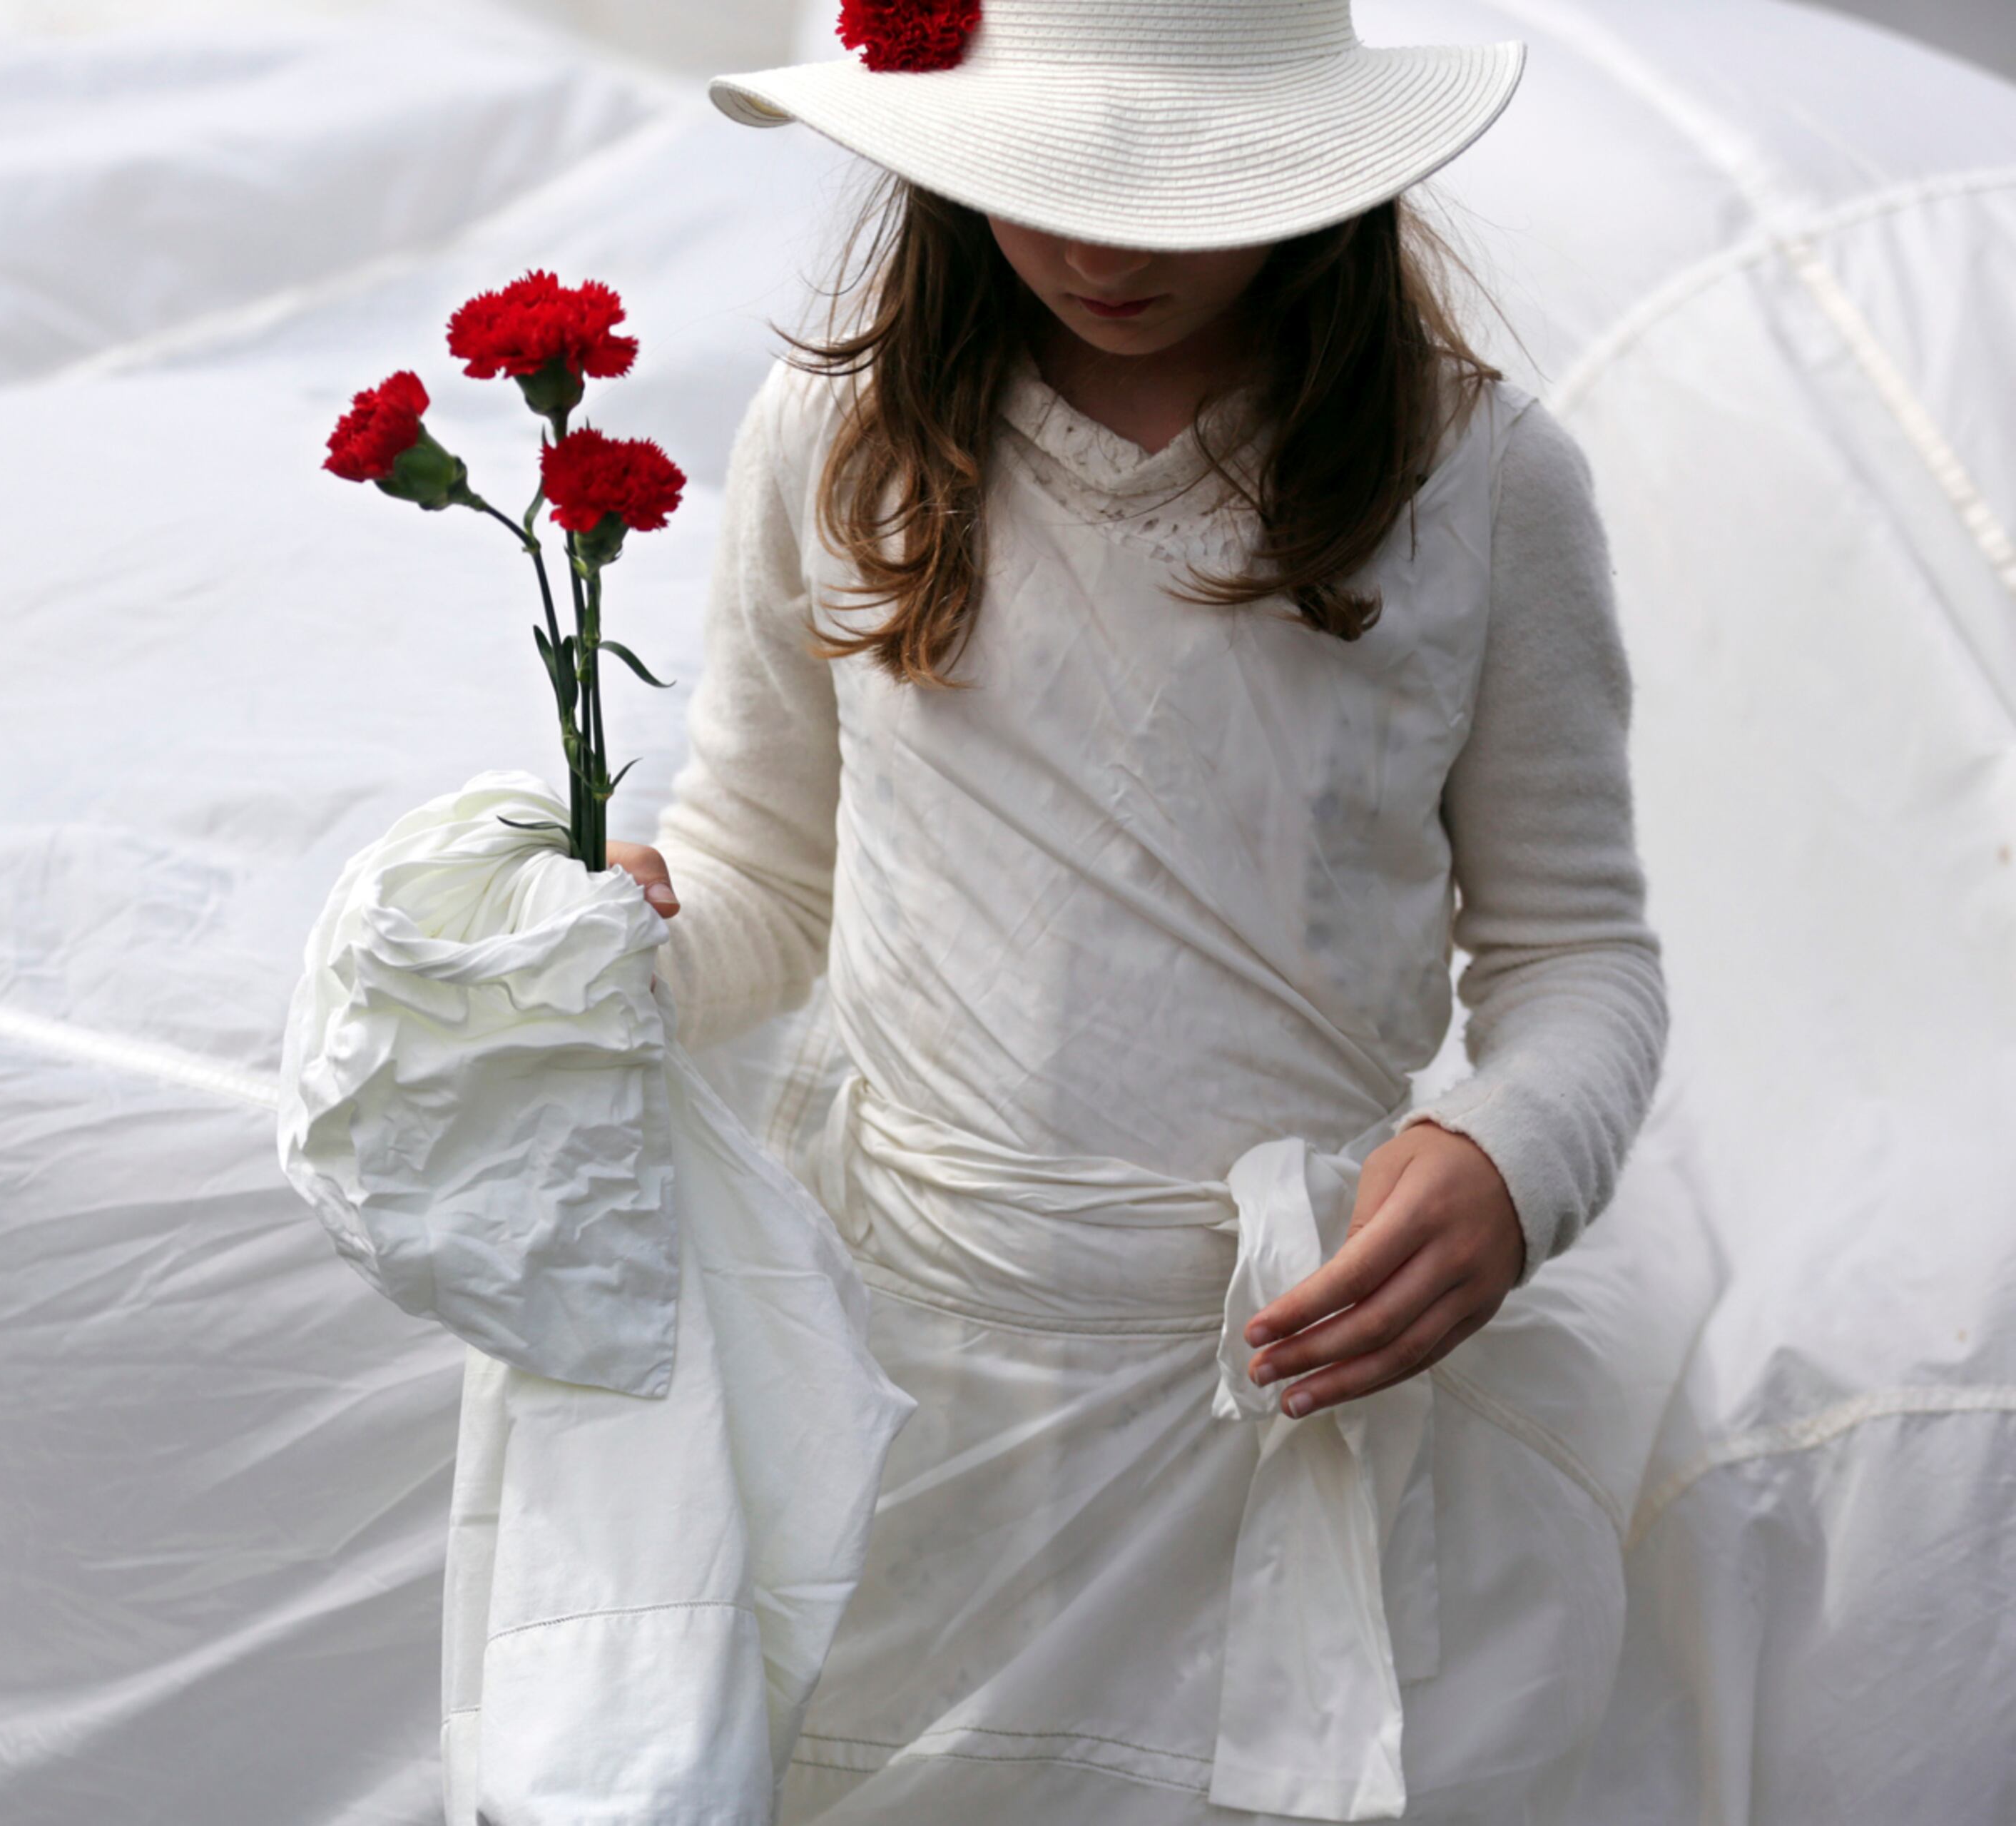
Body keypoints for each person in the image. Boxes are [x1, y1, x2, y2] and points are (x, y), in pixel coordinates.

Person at [604, 1, 1671, 1820]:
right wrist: (608, 950)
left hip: (1296, 1383)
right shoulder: (835, 440)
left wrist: (1516, 1154)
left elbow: (1579, 952)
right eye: (1050, 182)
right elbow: (764, 878)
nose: (1102, 251)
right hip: (907, 1396)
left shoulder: (1484, 482)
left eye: (1178, 188)